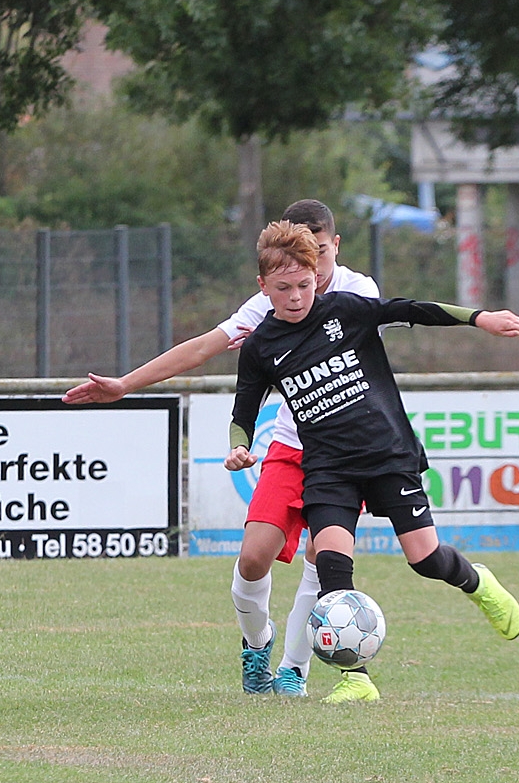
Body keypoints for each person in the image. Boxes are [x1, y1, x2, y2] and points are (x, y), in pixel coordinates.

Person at [64, 200, 377, 698]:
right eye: (301, 257)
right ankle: (257, 644)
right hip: (290, 448)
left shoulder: (358, 293)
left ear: (334, 246)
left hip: (343, 454)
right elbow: (201, 347)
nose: (311, 269)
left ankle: (294, 670)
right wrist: (125, 384)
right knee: (253, 559)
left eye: (319, 253)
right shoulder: (276, 297)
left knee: (323, 557)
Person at [227, 220, 519, 704]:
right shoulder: (261, 345)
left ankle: (477, 582)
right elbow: (243, 411)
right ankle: (356, 679)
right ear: (263, 286)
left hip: (387, 455)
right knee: (331, 565)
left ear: (315, 277)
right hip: (327, 469)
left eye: (304, 284)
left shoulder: (345, 309)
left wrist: (480, 317)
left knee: (425, 559)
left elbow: (411, 309)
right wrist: (239, 446)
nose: (296, 296)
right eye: (283, 288)